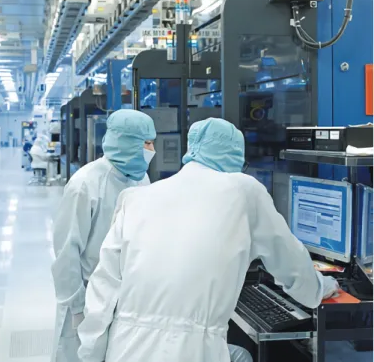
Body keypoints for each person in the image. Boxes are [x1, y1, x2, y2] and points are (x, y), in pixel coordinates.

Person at [77, 118, 339, 362]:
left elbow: (103, 288)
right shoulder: (244, 191)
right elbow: (291, 265)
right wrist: (321, 288)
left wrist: (92, 353)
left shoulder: (136, 197)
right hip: (191, 350)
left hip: (124, 348)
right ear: (235, 155)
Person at [51, 109, 157, 362]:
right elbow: (66, 254)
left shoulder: (141, 179)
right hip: (87, 299)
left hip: (127, 299)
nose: (152, 149)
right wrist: (77, 308)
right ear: (125, 141)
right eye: (146, 142)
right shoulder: (85, 185)